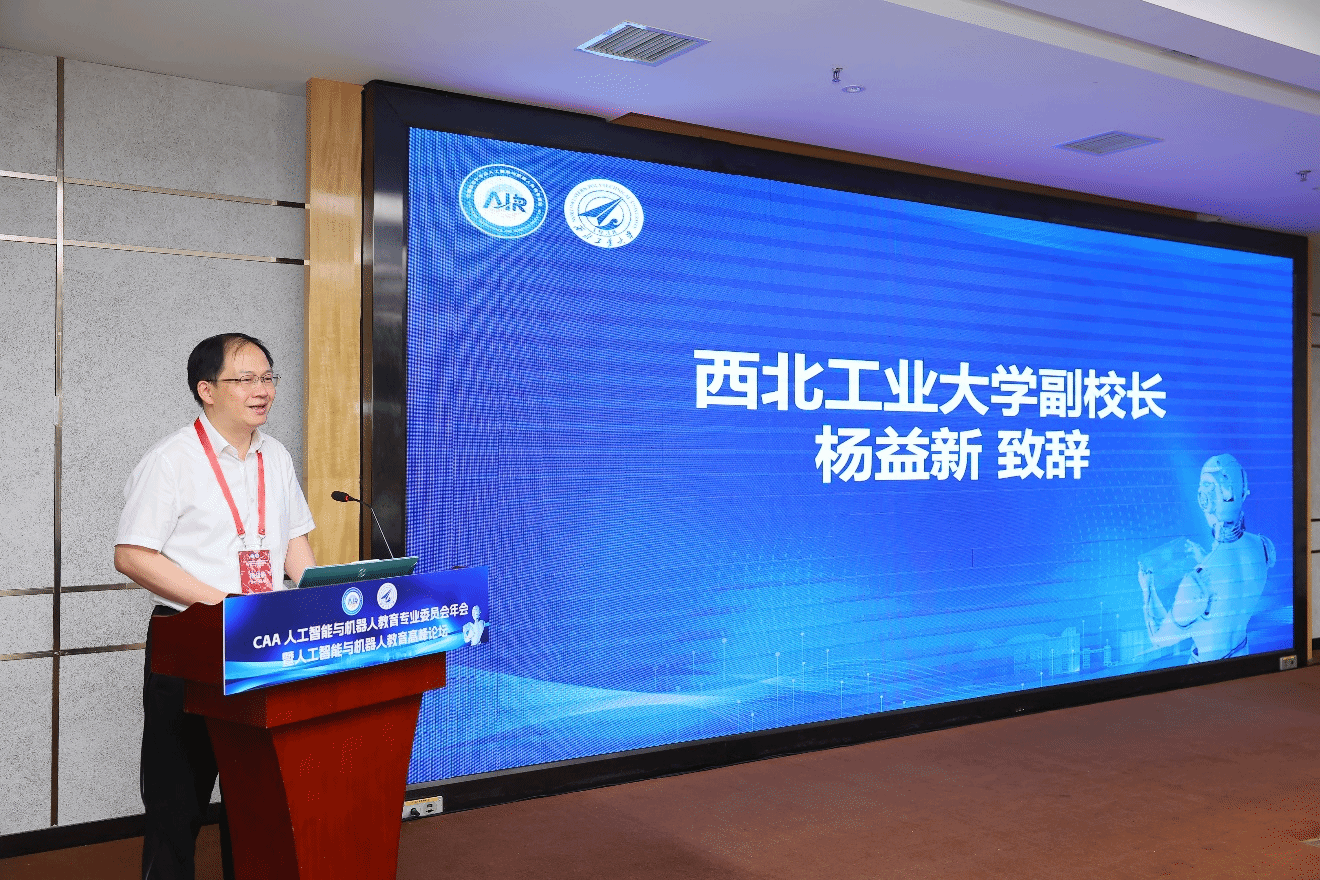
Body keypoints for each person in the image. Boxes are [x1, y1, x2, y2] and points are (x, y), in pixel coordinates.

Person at [114, 333, 316, 880]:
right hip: (193, 639)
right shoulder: (171, 461)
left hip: (265, 640)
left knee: (258, 798)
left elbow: (292, 539)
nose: (262, 390)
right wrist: (222, 603)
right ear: (206, 390)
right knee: (177, 800)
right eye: (245, 379)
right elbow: (132, 555)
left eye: (268, 377)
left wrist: (315, 593)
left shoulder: (276, 456)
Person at [1139, 454, 1274, 663]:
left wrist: (1147, 588)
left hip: (1205, 675)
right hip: (1244, 662)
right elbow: (1230, 585)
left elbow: (1158, 638)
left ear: (1207, 499)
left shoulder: (1195, 585)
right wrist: (1205, 558)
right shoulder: (1263, 547)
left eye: (1204, 486)